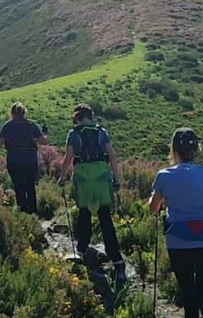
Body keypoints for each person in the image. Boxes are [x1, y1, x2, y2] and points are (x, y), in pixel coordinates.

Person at [147, 128, 203, 318]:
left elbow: (153, 208)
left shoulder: (164, 175)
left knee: (187, 289)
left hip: (178, 239)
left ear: (174, 150)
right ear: (196, 149)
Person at [59, 104, 127, 285]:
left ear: (77, 118)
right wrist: (116, 179)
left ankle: (82, 249)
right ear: (90, 116)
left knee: (84, 213)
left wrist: (62, 177)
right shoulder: (101, 132)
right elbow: (112, 156)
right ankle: (116, 257)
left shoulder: (73, 134)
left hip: (82, 176)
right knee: (105, 217)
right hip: (102, 175)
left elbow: (68, 158)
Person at [0, 102, 48, 214]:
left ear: (12, 113)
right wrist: (44, 133)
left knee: (19, 187)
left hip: (14, 161)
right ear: (24, 113)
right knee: (30, 186)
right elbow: (43, 141)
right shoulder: (31, 125)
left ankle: (22, 212)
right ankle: (33, 212)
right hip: (30, 160)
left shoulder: (8, 126)